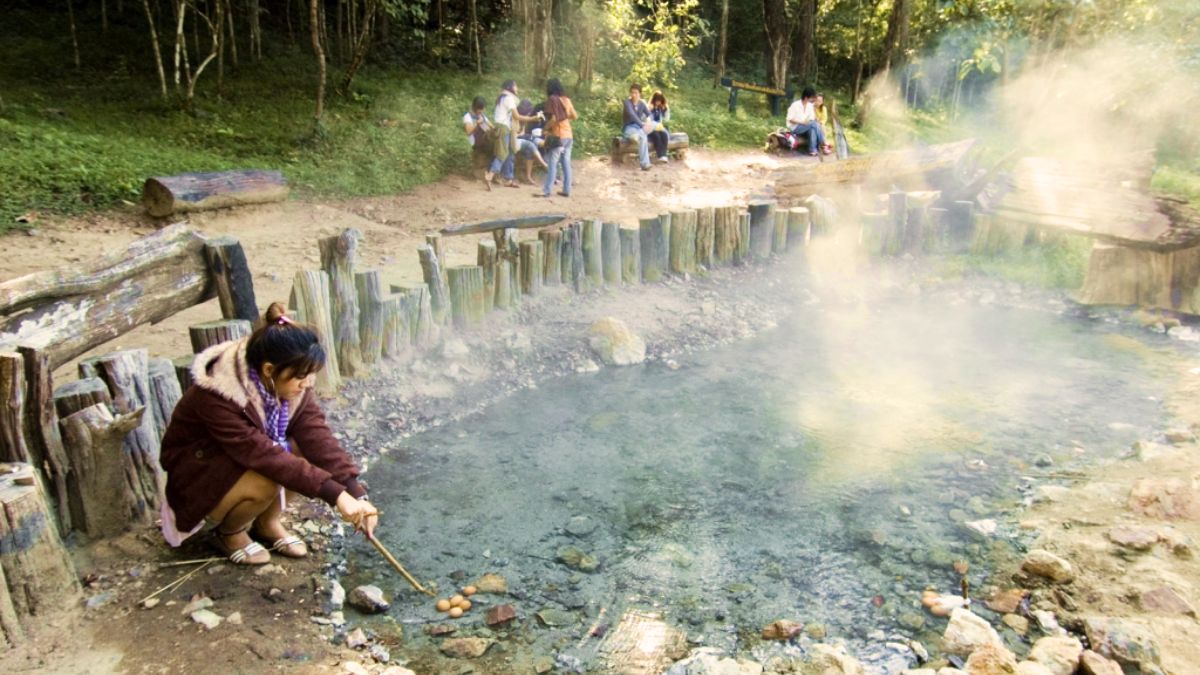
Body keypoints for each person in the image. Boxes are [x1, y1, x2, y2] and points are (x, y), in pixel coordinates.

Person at [159, 302, 379, 565]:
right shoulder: (218, 394)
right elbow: (261, 454)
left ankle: (266, 523)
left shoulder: (287, 380)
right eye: (300, 377)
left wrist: (355, 492)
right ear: (268, 370)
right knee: (269, 476)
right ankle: (228, 533)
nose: (307, 384)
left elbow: (317, 436)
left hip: (240, 460)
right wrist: (335, 495)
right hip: (199, 476)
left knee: (302, 449)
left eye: (310, 376)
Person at [485, 80, 542, 190]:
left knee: (511, 151)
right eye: (516, 86)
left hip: (505, 128)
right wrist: (533, 118)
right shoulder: (508, 98)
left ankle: (508, 179)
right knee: (503, 153)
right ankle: (490, 175)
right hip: (503, 128)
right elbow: (517, 116)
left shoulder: (502, 97)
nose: (517, 88)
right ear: (510, 87)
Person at [538, 78, 578, 198]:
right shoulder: (566, 100)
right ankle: (566, 190)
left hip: (558, 135)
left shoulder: (553, 100)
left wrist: (545, 128)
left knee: (552, 163)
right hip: (568, 135)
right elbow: (575, 116)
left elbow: (554, 119)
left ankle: (547, 190)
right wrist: (565, 117)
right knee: (566, 163)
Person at [515, 99, 550, 184]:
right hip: (515, 140)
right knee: (532, 143)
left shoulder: (525, 119)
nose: (528, 114)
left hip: (525, 139)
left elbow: (524, 132)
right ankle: (544, 165)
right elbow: (515, 134)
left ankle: (528, 177)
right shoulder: (515, 118)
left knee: (530, 149)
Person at [785, 86, 827, 156]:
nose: (813, 100)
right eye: (812, 98)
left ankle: (812, 150)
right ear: (806, 97)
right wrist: (802, 122)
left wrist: (812, 120)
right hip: (795, 128)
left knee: (813, 128)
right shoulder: (795, 105)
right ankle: (823, 143)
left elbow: (812, 118)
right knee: (813, 124)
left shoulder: (810, 106)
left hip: (805, 127)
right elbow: (790, 119)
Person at [622, 83, 653, 171]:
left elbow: (649, 114)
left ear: (640, 94)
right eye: (632, 93)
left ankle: (635, 137)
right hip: (628, 128)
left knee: (644, 134)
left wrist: (649, 120)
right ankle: (645, 164)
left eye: (636, 93)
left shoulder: (642, 104)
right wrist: (642, 124)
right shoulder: (627, 103)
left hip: (638, 129)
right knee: (643, 135)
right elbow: (632, 115)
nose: (633, 95)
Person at [463, 96, 492, 170]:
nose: (482, 111)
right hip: (473, 140)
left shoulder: (481, 115)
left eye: (483, 109)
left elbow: (491, 126)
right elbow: (468, 132)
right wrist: (477, 123)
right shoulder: (468, 116)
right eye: (480, 109)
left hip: (482, 139)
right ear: (475, 107)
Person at [647, 91, 671, 163]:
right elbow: (644, 118)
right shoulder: (649, 106)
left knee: (664, 135)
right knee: (656, 135)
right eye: (657, 101)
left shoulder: (662, 107)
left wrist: (665, 109)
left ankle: (664, 155)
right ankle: (660, 155)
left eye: (659, 101)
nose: (658, 103)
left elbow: (667, 118)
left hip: (659, 127)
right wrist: (649, 109)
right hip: (650, 128)